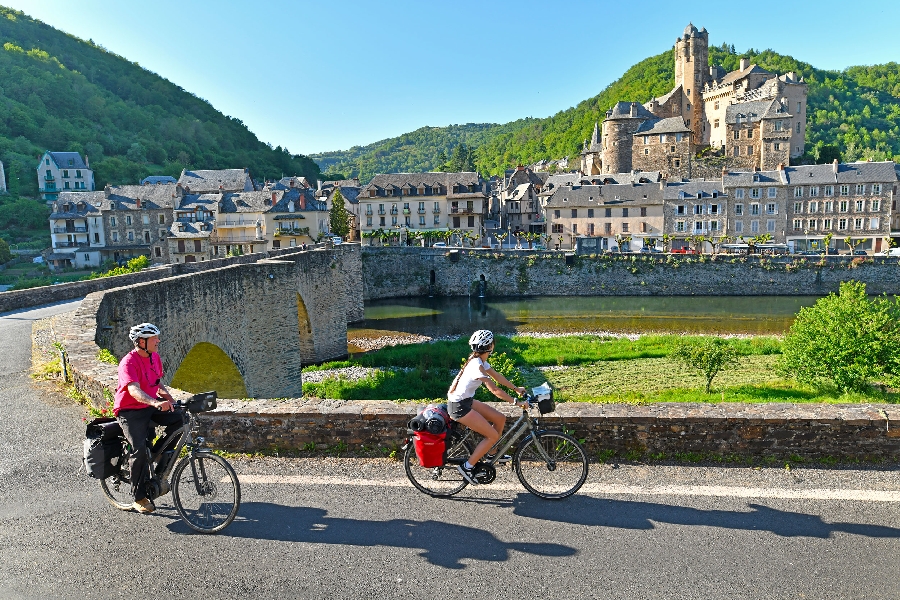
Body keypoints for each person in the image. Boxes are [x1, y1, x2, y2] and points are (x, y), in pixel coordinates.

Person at [114, 323, 183, 513]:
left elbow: (157, 382)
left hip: (149, 405)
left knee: (180, 419)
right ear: (141, 342)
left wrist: (170, 399)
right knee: (139, 450)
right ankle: (139, 497)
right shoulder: (128, 362)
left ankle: (159, 454)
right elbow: (133, 390)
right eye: (154, 339)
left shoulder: (154, 357)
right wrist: (155, 403)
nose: (158, 341)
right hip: (130, 410)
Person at [447, 330, 527, 485]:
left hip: (465, 401)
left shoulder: (479, 360)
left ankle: (492, 453)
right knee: (492, 436)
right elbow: (495, 390)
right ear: (490, 346)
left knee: (500, 418)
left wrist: (516, 388)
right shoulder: (477, 366)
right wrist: (516, 402)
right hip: (459, 407)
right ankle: (467, 467)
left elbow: (497, 377)